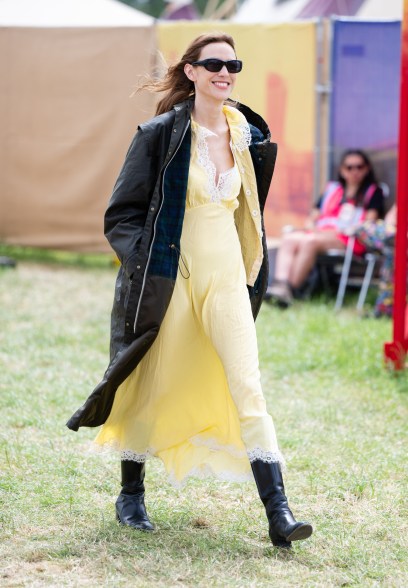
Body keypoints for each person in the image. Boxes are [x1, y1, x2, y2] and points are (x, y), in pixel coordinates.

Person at [66, 32, 312, 548]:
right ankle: (130, 494)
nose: (226, 72)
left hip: (227, 277)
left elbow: (250, 211)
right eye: (214, 63)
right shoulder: (160, 134)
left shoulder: (247, 134)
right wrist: (146, 261)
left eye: (233, 64)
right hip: (170, 276)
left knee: (248, 383)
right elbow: (122, 214)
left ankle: (280, 513)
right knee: (150, 377)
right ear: (193, 71)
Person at [267, 150, 385, 307]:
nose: (354, 171)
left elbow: (369, 223)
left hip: (349, 238)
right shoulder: (332, 189)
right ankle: (280, 285)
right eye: (349, 167)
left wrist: (325, 231)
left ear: (367, 169)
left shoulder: (373, 192)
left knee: (310, 241)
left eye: (359, 167)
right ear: (342, 170)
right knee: (290, 238)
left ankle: (290, 291)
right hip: (320, 233)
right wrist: (311, 227)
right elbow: (313, 217)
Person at [355, 204, 397, 317]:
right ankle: (392, 241)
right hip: (395, 237)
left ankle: (384, 309)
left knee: (392, 255)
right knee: (363, 227)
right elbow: (391, 218)